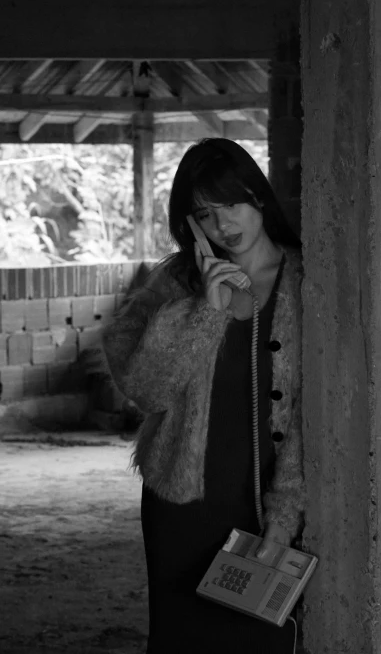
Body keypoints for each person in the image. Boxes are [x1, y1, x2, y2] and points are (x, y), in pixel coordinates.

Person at [102, 138, 305, 654]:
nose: (222, 225)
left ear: (257, 197)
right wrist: (205, 311)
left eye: (231, 203)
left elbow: (311, 416)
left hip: (263, 500)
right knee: (183, 641)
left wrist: (284, 515)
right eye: (204, 214)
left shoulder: (306, 282)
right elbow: (145, 389)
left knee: (263, 643)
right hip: (183, 502)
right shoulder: (177, 282)